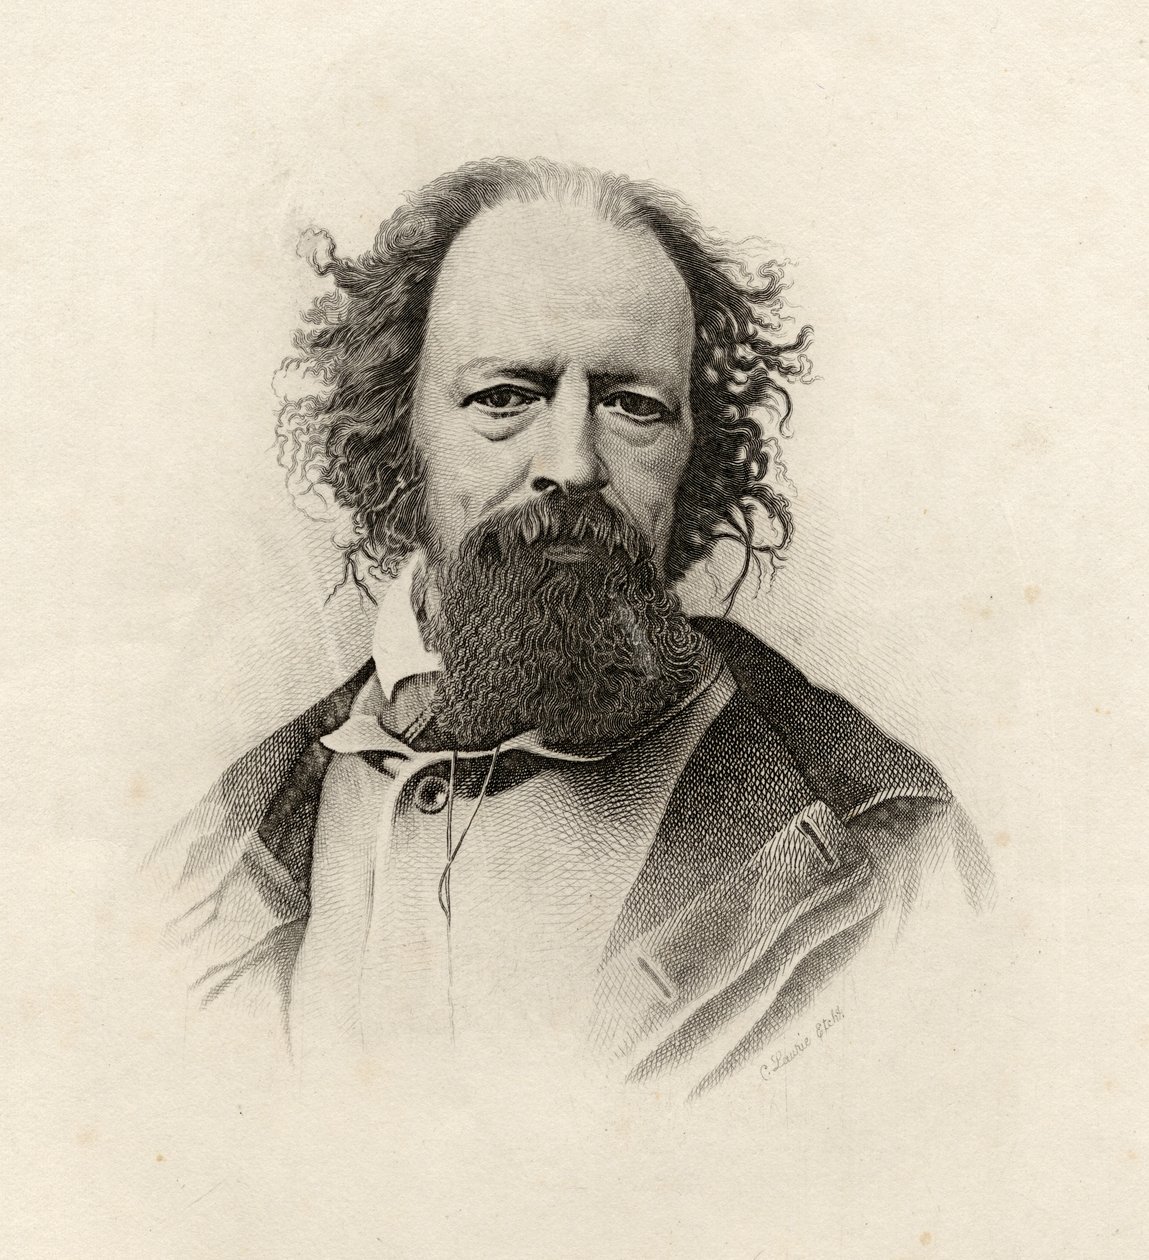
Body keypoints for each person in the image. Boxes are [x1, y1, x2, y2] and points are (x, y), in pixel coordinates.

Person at [147, 157, 992, 1098]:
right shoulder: (220, 847)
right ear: (397, 434)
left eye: (632, 406)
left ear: (695, 453)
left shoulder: (884, 849)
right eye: (505, 397)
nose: (573, 463)